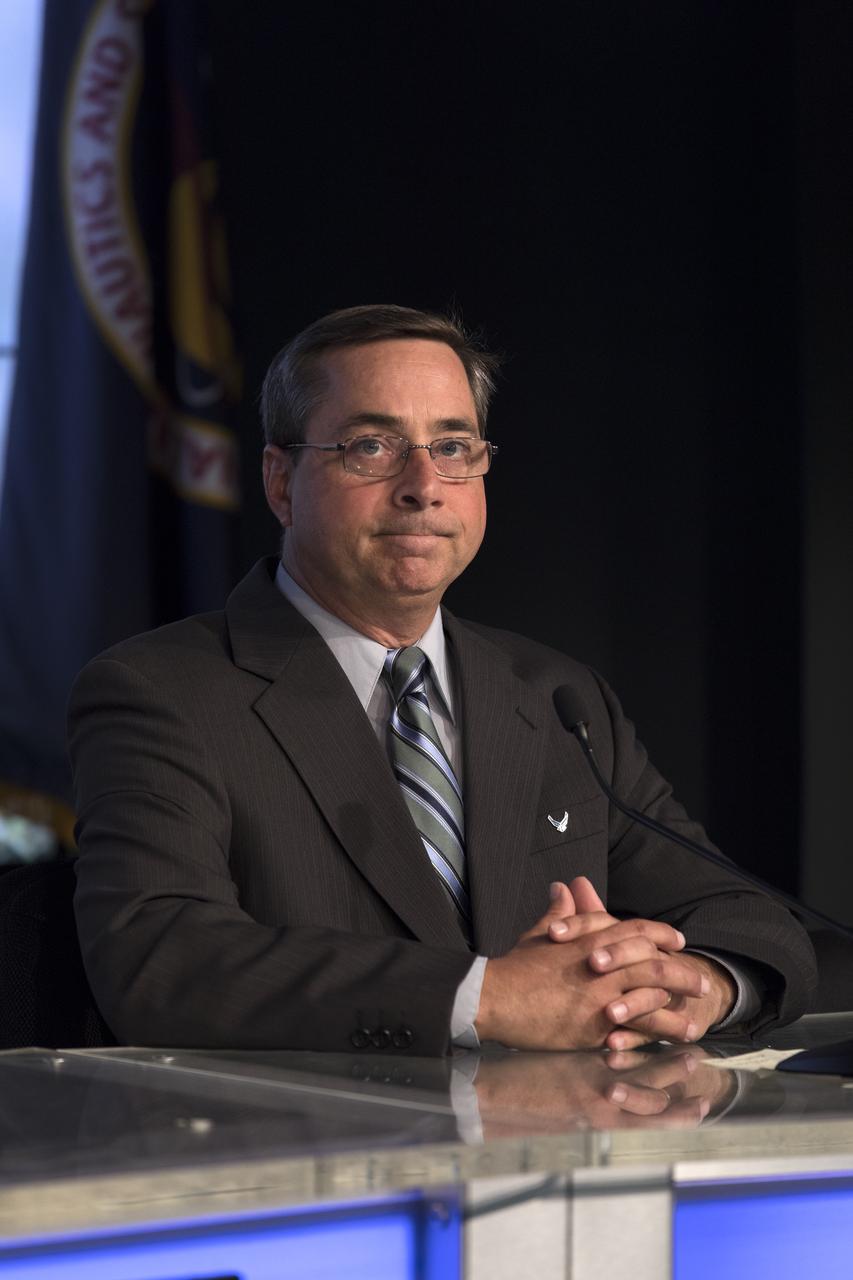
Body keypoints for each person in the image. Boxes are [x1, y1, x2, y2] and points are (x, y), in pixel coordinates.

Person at [69, 305, 816, 1055]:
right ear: (280, 481)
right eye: (371, 446)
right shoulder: (163, 692)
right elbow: (161, 959)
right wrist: (483, 998)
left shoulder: (553, 693)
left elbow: (737, 912)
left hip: (556, 1152)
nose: (424, 486)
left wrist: (702, 984)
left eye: (453, 446)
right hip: (302, 1154)